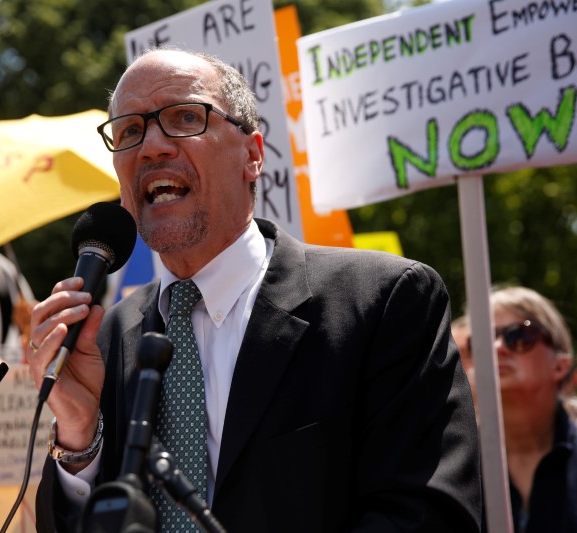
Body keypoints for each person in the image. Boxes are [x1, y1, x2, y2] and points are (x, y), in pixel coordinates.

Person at [29, 47, 481, 532]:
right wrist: (79, 441)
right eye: (130, 131)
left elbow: (428, 516)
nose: (152, 146)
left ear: (253, 155)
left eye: (185, 117)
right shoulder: (103, 340)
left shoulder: (384, 300)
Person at [489, 286, 577, 533]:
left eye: (519, 336)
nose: (497, 347)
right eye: (483, 338)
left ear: (560, 366)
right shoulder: (448, 465)